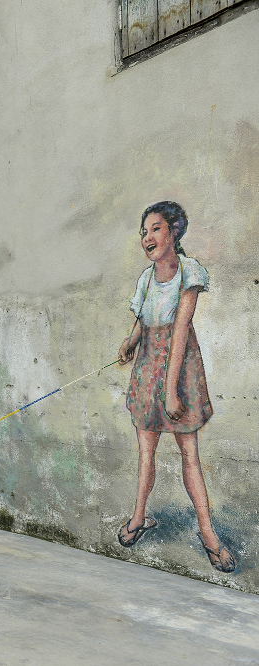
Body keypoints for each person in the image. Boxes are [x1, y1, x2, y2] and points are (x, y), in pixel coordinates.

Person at [117, 201, 235, 573]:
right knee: (146, 451)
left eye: (155, 229)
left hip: (179, 368)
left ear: (174, 232)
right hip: (148, 365)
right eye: (144, 231)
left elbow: (180, 329)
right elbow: (144, 319)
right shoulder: (146, 277)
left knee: (189, 452)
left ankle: (207, 532)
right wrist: (131, 340)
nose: (147, 237)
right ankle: (138, 517)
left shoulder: (189, 271)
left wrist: (171, 392)